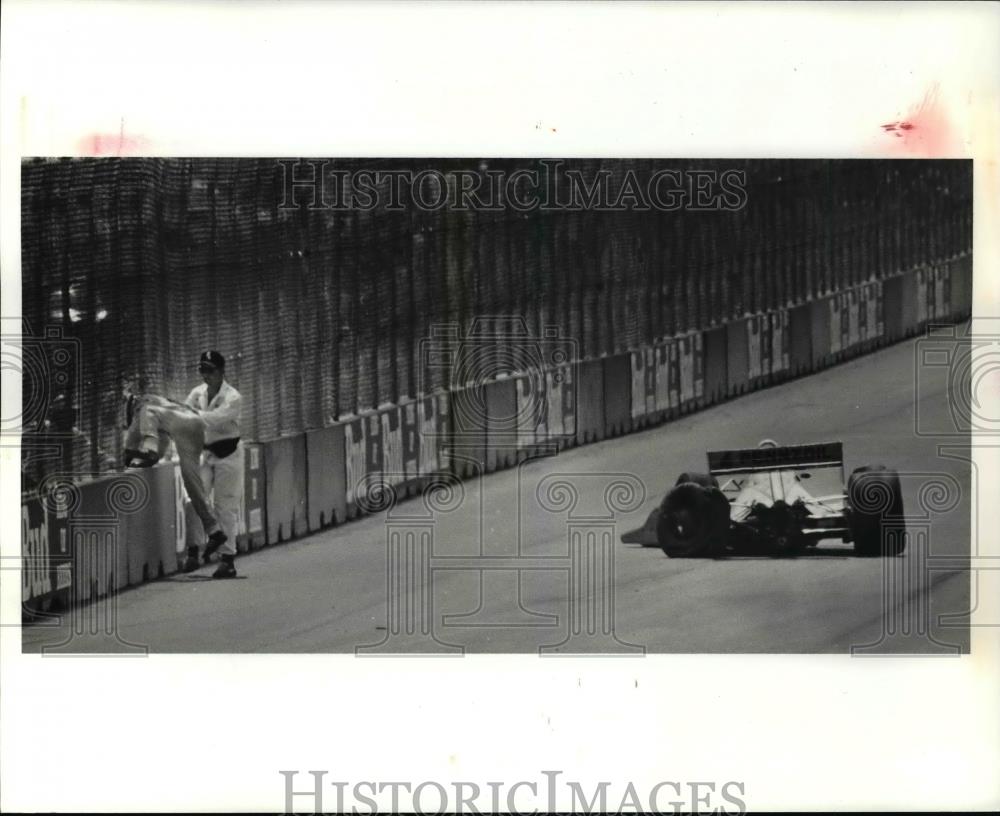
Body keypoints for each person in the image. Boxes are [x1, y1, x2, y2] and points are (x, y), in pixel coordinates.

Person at [122, 393, 228, 570]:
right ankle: (214, 530)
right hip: (195, 424)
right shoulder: (163, 406)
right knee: (192, 485)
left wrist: (130, 453)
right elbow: (161, 448)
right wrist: (149, 457)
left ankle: (199, 545)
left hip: (187, 425)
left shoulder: (143, 406)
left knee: (148, 416)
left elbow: (132, 442)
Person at [185, 350, 244, 579]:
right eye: (202, 370)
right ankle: (193, 551)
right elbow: (185, 414)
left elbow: (214, 418)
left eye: (210, 370)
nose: (205, 375)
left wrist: (191, 415)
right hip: (205, 454)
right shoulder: (197, 393)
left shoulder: (233, 397)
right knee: (191, 500)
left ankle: (227, 560)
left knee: (224, 507)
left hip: (228, 455)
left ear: (221, 371)